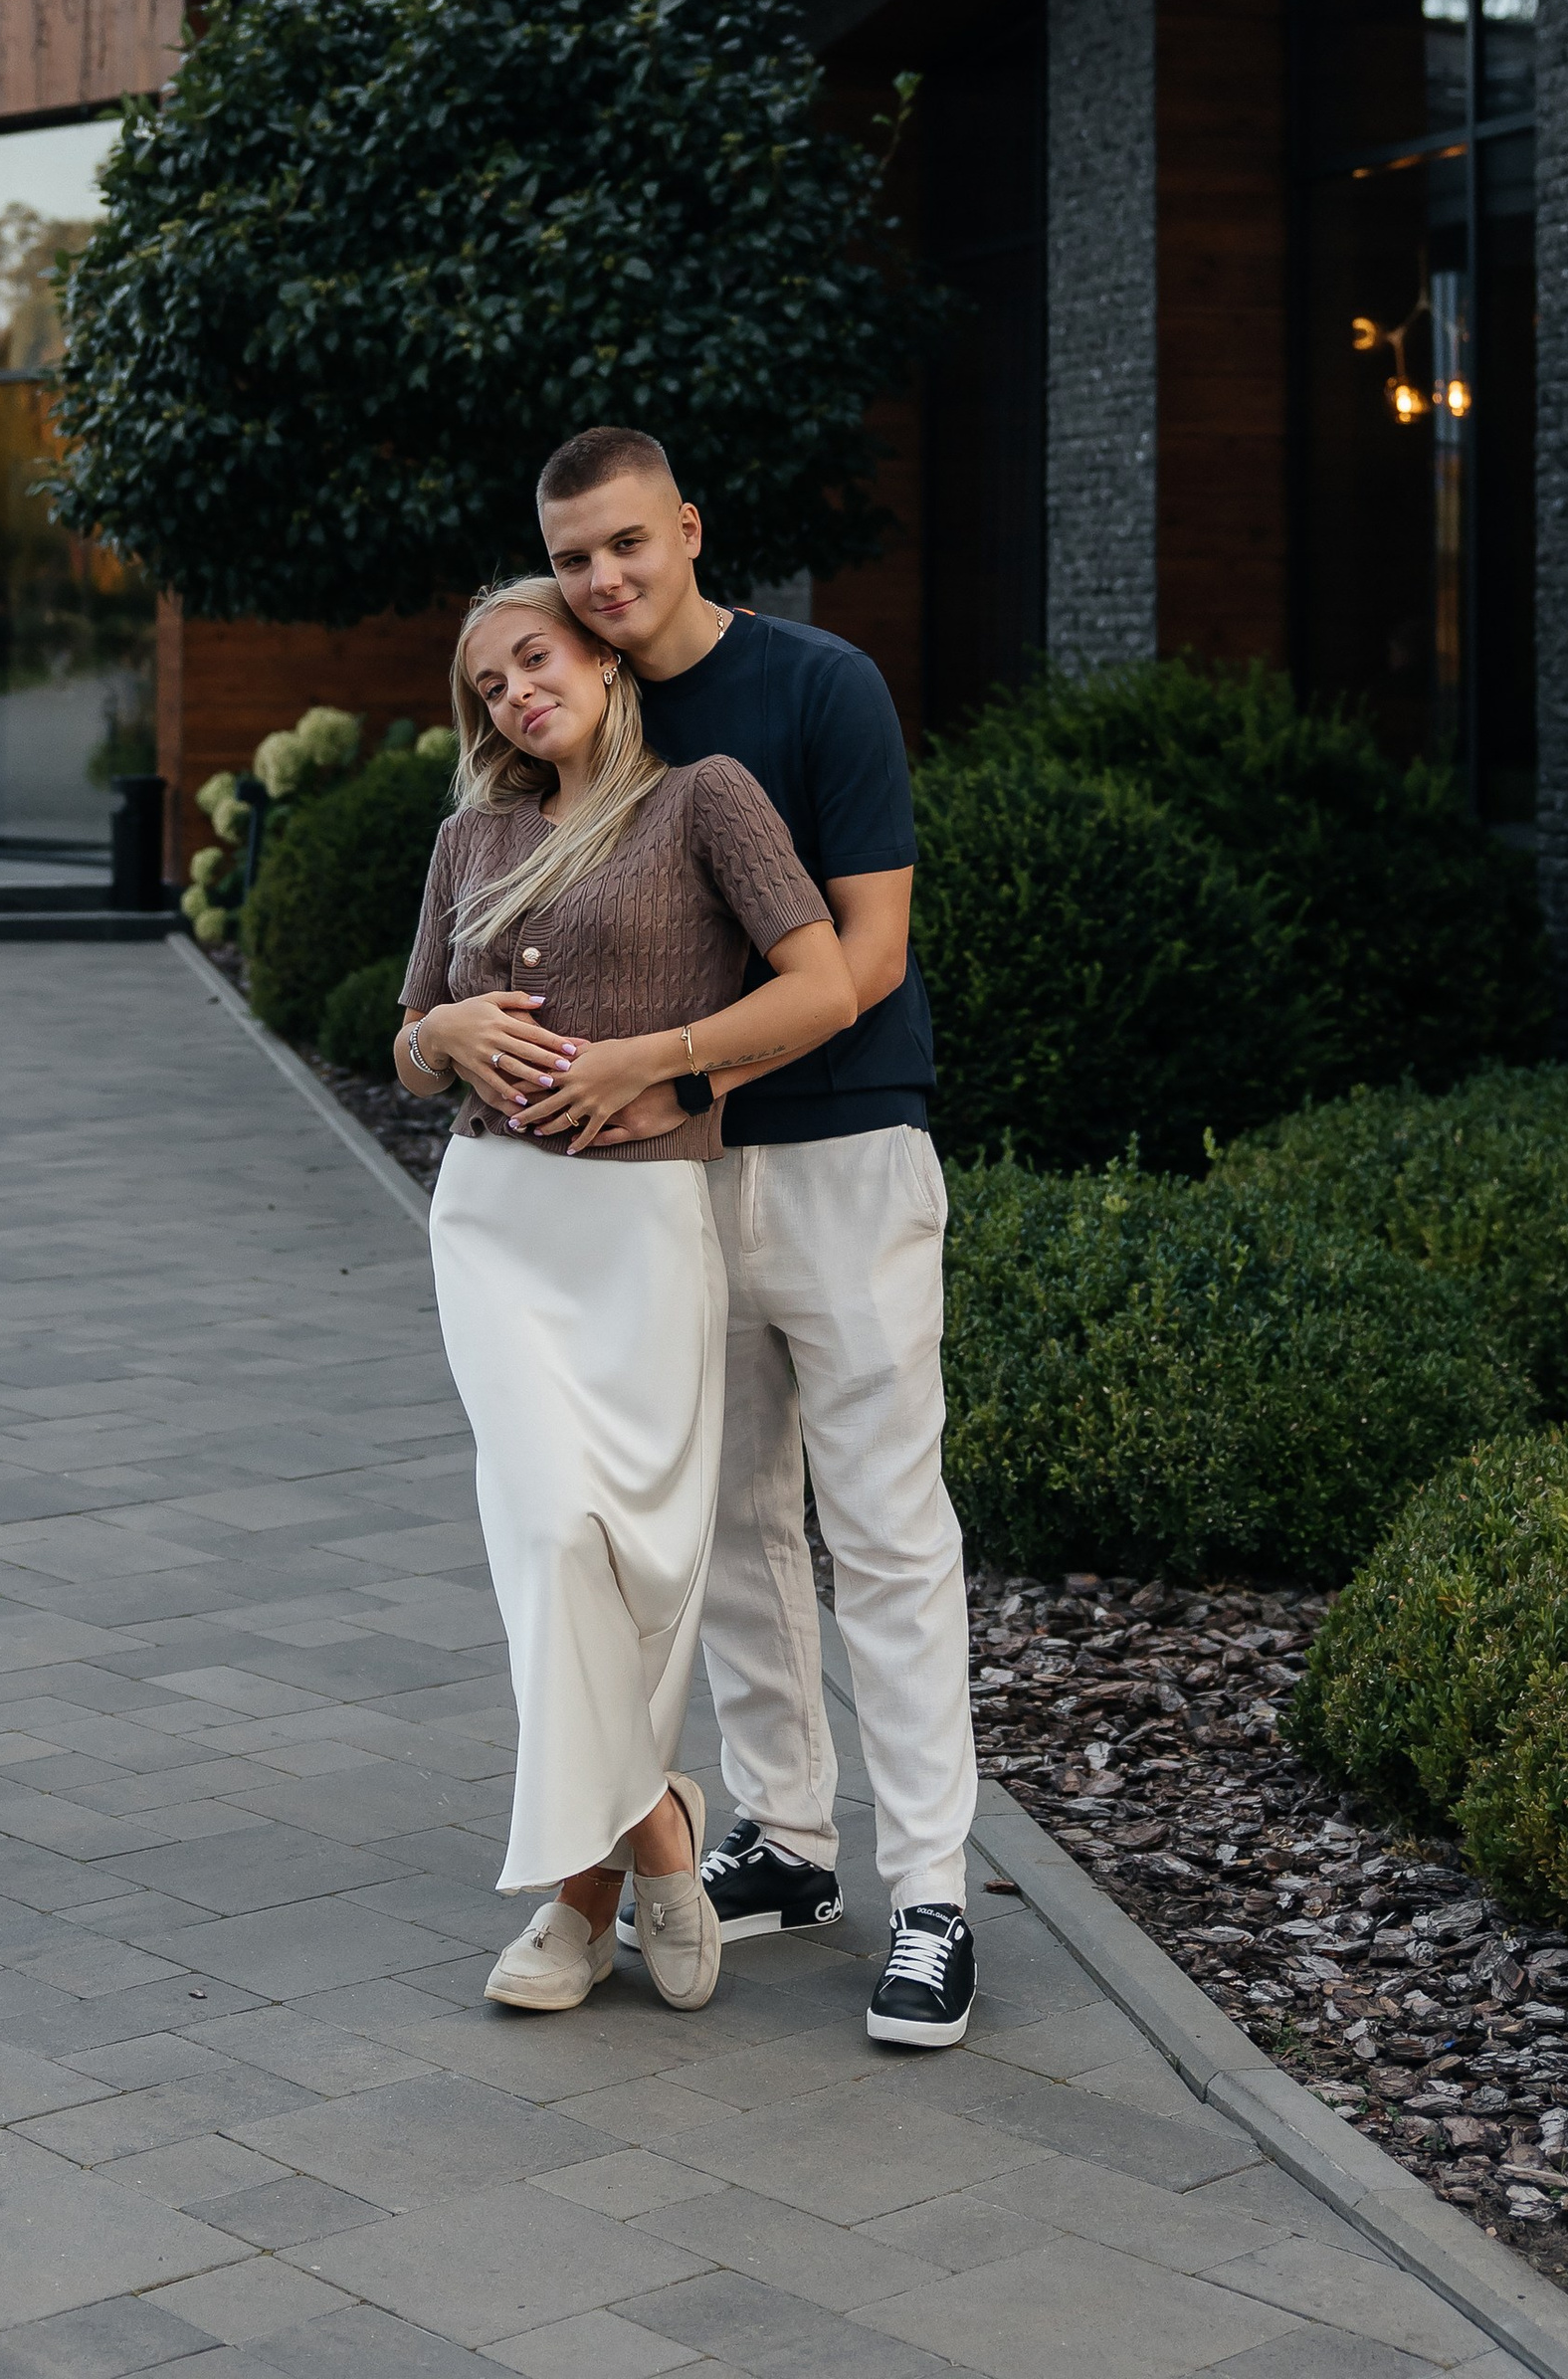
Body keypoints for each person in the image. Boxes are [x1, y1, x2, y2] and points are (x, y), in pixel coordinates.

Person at [448, 425, 980, 2052]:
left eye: (627, 544)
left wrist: (662, 1065)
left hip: (838, 1152)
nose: (605, 582)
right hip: (655, 1201)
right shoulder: (575, 709)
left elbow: (866, 958)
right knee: (726, 1528)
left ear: (687, 527)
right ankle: (789, 1837)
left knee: (884, 1522)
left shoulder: (820, 689)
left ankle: (937, 1894)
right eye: (576, 559)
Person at [393, 574, 856, 2019]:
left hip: (649, 1225)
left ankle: (584, 1906)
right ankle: (652, 1826)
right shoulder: (469, 837)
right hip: (496, 1224)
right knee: (547, 1533)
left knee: (639, 1567)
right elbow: (407, 1039)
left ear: (599, 658)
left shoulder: (706, 799)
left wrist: (663, 1062)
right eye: (488, 686)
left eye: (532, 659)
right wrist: (447, 1032)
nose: (514, 693)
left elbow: (825, 984)